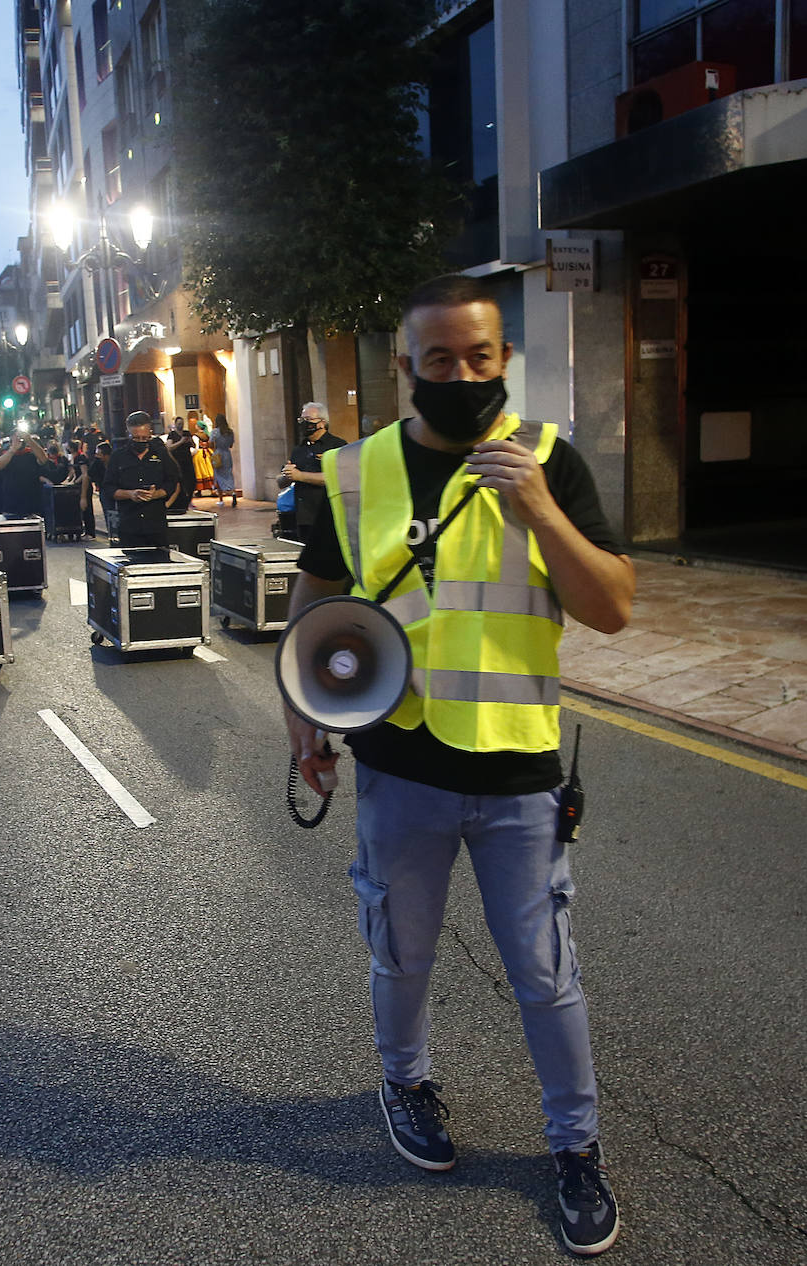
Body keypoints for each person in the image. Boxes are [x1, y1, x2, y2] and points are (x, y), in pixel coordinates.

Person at [284, 274, 634, 1258]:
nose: (462, 374)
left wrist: (540, 515)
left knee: (545, 973)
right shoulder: (356, 474)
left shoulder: (550, 464)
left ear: (504, 359)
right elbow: (315, 595)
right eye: (439, 359)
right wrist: (298, 713)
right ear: (405, 369)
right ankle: (405, 1083)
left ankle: (575, 1150)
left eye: (479, 356)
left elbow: (611, 606)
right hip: (399, 768)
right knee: (401, 949)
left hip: (521, 772)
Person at [103, 411, 181, 548]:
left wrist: (156, 494)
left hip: (156, 526)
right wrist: (130, 494)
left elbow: (172, 483)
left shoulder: (160, 454)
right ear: (128, 433)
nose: (140, 441)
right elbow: (109, 489)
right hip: (129, 526)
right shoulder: (118, 457)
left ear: (150, 433)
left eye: (145, 438)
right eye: (136, 438)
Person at [280, 401, 346, 541]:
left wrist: (300, 476)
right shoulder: (299, 449)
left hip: (328, 516)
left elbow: (335, 478)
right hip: (302, 518)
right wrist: (287, 475)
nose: (304, 424)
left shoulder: (337, 446)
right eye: (302, 420)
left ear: (322, 423)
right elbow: (282, 481)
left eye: (308, 420)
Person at [0, 429, 48, 518]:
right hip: (11, 504)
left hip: (33, 505)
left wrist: (29, 440)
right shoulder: (6, 454)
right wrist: (13, 449)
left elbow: (44, 459)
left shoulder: (31, 454)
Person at [165, 427, 197, 513]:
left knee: (191, 482)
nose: (180, 425)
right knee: (180, 483)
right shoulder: (172, 434)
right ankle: (181, 503)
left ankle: (189, 501)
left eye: (181, 423)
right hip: (177, 462)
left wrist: (190, 441)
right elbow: (169, 447)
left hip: (188, 462)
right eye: (179, 423)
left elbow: (194, 446)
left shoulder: (186, 432)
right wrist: (181, 442)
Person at [211, 414, 237, 506]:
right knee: (229, 474)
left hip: (218, 454)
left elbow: (211, 443)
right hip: (227, 454)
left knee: (218, 476)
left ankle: (221, 499)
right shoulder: (230, 432)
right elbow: (231, 445)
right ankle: (233, 492)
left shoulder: (215, 432)